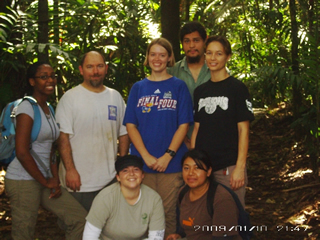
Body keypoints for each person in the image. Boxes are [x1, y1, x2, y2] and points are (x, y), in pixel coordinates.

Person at [5, 61, 87, 240]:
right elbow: (22, 152)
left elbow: (50, 149)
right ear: (32, 82)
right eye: (44, 77)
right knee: (23, 233)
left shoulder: (48, 108)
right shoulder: (26, 108)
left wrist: (54, 179)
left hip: (43, 178)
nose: (50, 80)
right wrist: (45, 181)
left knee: (79, 219)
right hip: (23, 180)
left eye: (52, 76)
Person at [123, 38, 193, 237]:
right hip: (142, 163)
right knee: (143, 212)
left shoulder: (178, 87)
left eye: (162, 55)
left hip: (170, 164)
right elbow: (130, 125)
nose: (157, 59)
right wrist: (145, 156)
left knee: (168, 211)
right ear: (147, 57)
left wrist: (168, 155)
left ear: (169, 58)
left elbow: (184, 124)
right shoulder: (138, 88)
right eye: (153, 54)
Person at [56, 51, 129, 211]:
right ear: (81, 70)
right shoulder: (70, 98)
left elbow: (123, 133)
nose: (95, 71)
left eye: (99, 66)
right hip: (79, 182)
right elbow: (63, 137)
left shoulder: (115, 97)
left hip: (109, 179)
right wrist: (70, 170)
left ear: (106, 68)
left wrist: (123, 167)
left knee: (107, 228)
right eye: (90, 67)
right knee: (79, 228)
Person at [191, 36, 255, 207]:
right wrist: (193, 163)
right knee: (206, 215)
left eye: (218, 53)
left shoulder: (237, 88)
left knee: (232, 218)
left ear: (228, 56)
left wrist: (239, 167)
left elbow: (243, 131)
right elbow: (197, 129)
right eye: (209, 53)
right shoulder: (200, 91)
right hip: (204, 167)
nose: (213, 58)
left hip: (228, 167)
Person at [83, 155, 165, 240]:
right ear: (118, 177)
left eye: (136, 169)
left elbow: (156, 237)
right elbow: (89, 236)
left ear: (142, 175)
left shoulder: (154, 199)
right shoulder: (105, 197)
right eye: (125, 170)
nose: (131, 173)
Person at [166, 149, 242, 240]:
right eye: (186, 168)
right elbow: (186, 226)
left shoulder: (221, 199)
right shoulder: (183, 192)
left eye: (197, 168)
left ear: (209, 171)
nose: (190, 173)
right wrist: (179, 235)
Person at [168, 21, 211, 148]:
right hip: (178, 143)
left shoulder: (217, 70)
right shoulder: (171, 72)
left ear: (205, 41)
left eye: (196, 40)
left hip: (212, 139)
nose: (191, 45)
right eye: (187, 41)